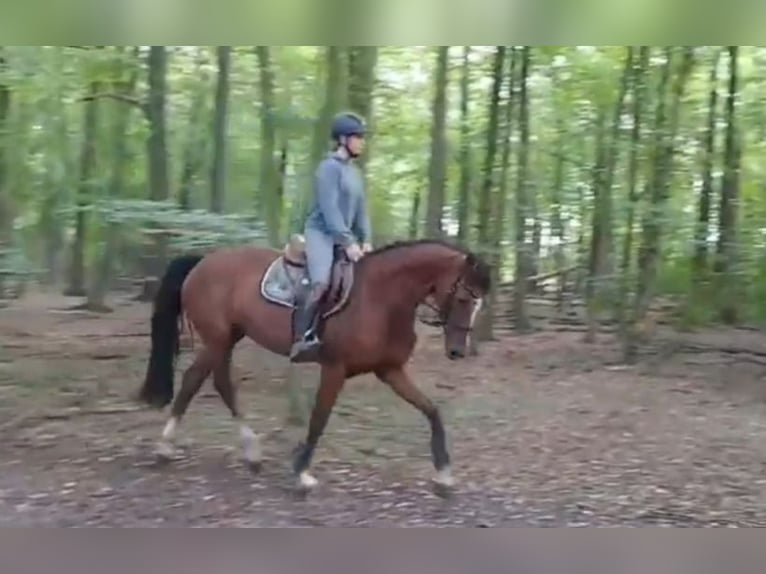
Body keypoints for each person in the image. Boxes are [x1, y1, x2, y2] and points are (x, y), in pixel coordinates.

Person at [289, 111, 373, 362]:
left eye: (362, 138)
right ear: (343, 139)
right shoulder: (328, 169)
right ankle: (302, 337)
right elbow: (329, 209)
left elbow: (361, 211)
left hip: (344, 236)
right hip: (321, 234)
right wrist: (347, 242)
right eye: (358, 137)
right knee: (322, 282)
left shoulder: (355, 174)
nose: (362, 142)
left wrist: (366, 239)